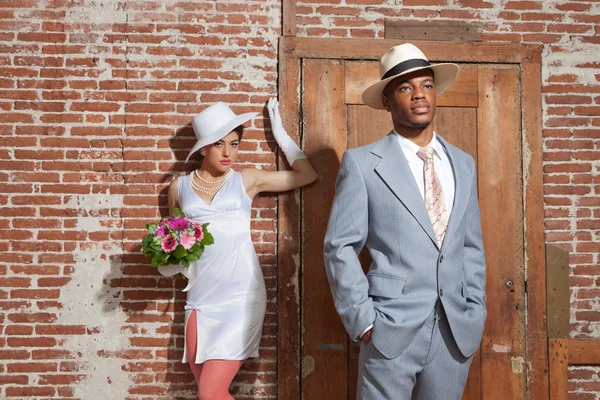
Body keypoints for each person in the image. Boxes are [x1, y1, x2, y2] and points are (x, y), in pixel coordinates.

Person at [323, 43, 487, 399]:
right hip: (389, 329)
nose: (419, 95)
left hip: (455, 333)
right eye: (405, 87)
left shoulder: (463, 163)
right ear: (386, 100)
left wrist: (475, 309)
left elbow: (471, 244)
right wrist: (363, 320)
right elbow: (339, 246)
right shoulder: (363, 164)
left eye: (426, 85)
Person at [158, 98, 317, 400]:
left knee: (210, 392)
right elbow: (175, 245)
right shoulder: (178, 188)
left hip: (239, 296)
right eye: (219, 144)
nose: (228, 152)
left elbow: (307, 175)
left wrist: (280, 132)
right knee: (204, 387)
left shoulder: (247, 180)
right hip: (200, 299)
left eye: (234, 143)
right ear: (203, 147)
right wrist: (167, 260)